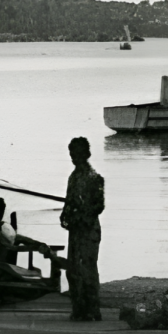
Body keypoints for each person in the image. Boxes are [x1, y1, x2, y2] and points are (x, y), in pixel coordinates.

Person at [59, 137, 104, 322]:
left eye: (77, 154)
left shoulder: (94, 178)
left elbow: (98, 206)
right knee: (73, 270)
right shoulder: (73, 176)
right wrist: (65, 215)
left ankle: (92, 310)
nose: (73, 158)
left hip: (88, 230)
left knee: (88, 271)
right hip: (76, 231)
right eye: (72, 154)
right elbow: (69, 200)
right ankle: (78, 309)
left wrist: (81, 217)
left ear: (86, 154)